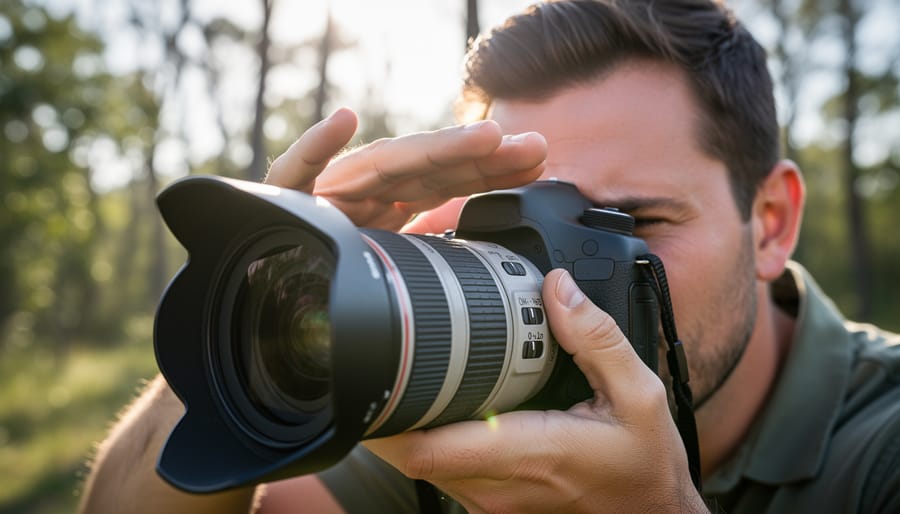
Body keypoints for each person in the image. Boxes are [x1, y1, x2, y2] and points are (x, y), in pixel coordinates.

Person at [78, 0, 900, 513]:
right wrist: (261, 297)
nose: (555, 286)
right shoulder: (453, 397)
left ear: (771, 220)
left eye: (626, 226)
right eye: (518, 229)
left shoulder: (882, 443)